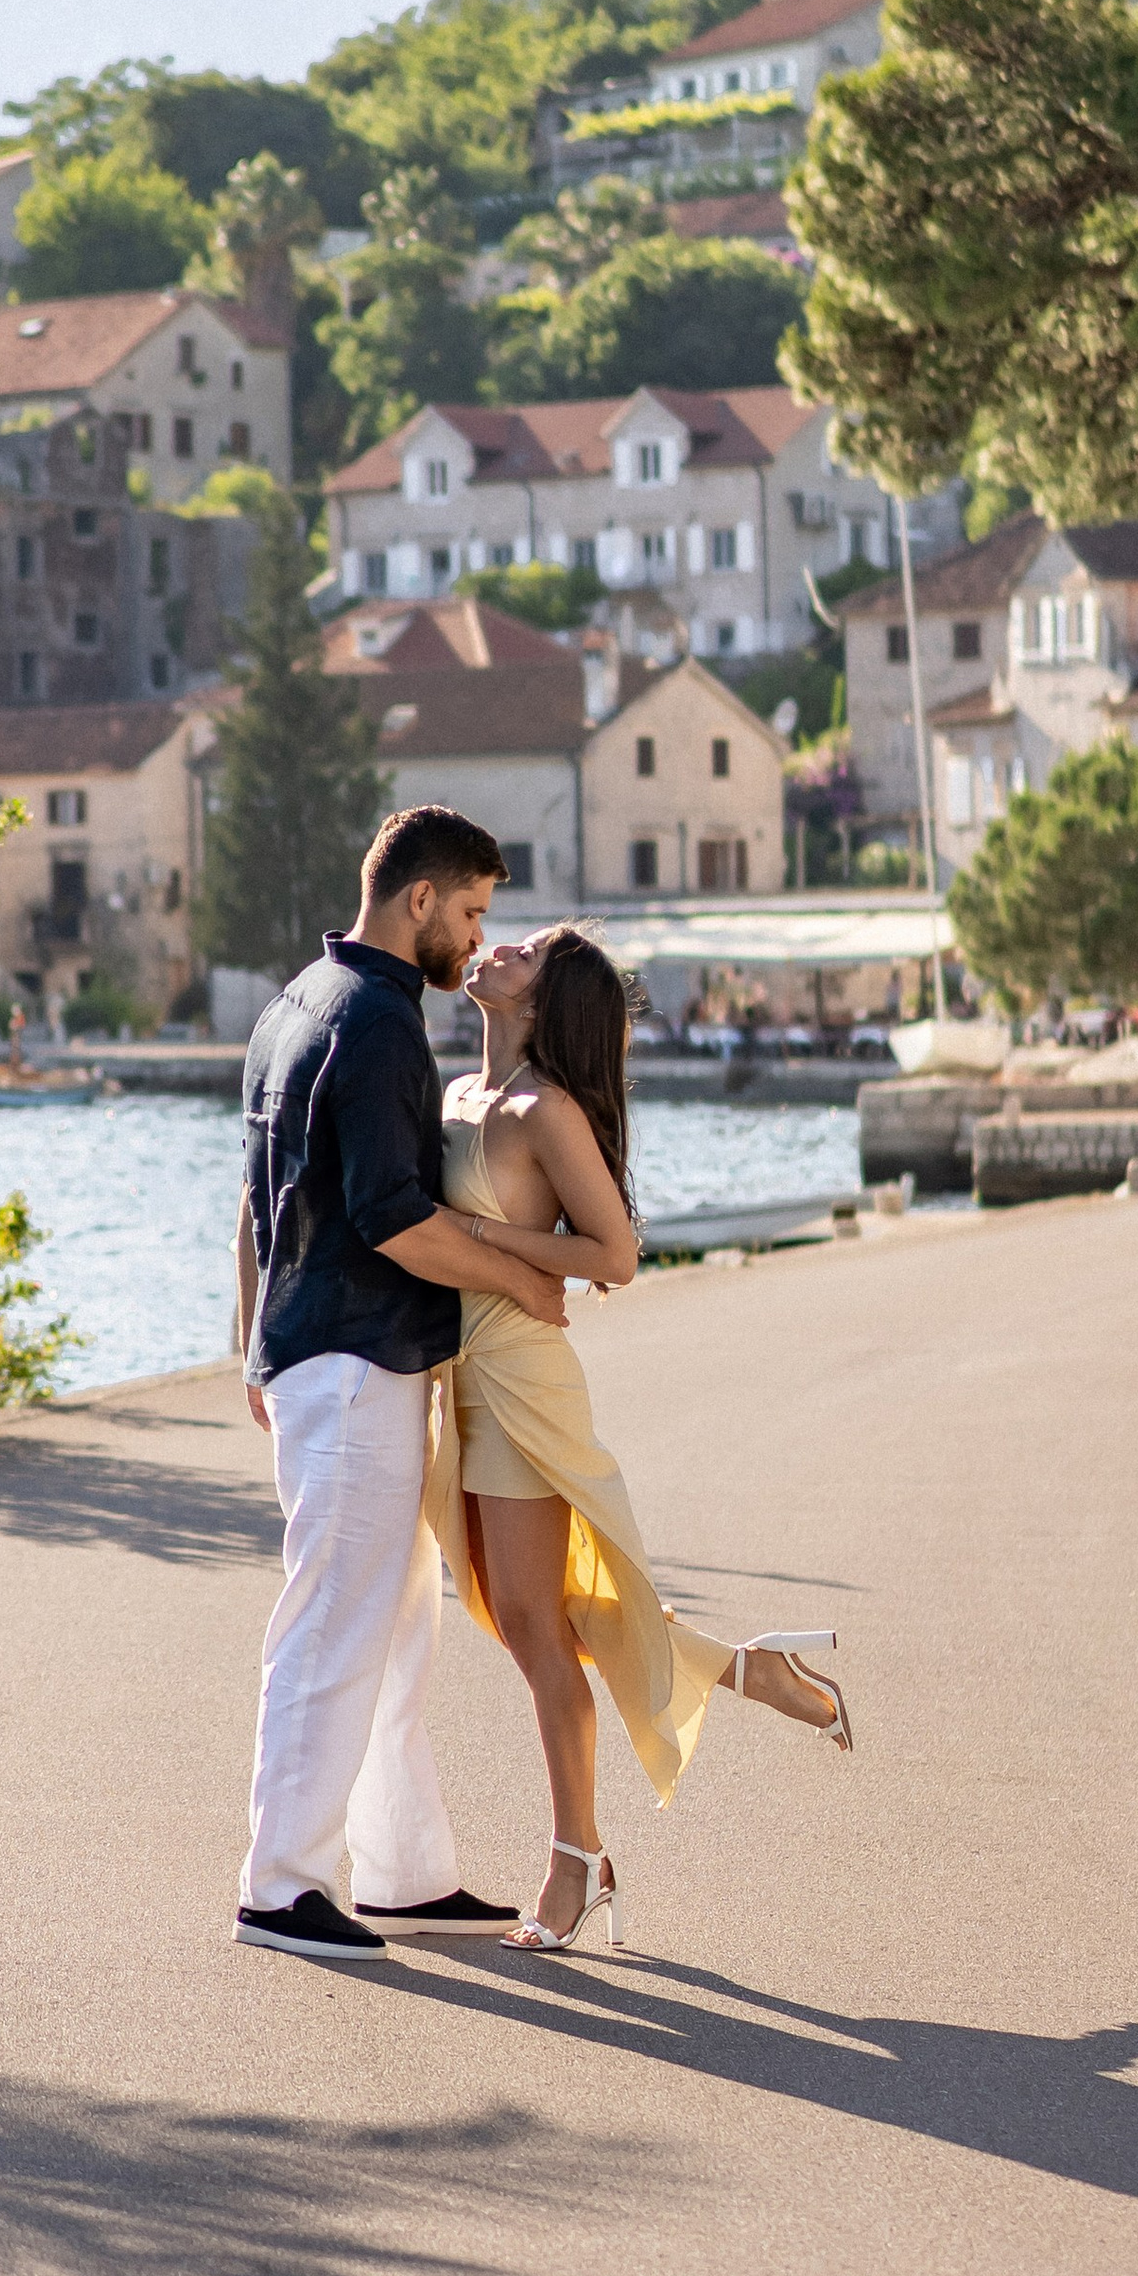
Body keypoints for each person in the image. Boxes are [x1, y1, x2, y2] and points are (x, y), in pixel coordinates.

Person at [426, 922, 851, 1954]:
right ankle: (743, 1667)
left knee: (534, 1624)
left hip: (522, 1378)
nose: (491, 947)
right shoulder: (454, 1094)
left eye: (518, 949)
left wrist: (484, 1236)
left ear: (542, 996)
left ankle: (578, 1861)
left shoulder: (545, 1108)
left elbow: (612, 1253)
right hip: (457, 1383)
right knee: (535, 1610)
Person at [233, 805, 573, 1964]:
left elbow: (256, 1199)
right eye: (469, 911)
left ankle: (401, 1872)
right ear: (417, 898)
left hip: (322, 1356)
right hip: (355, 1363)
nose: (475, 940)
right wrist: (520, 1278)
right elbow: (392, 1220)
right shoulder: (377, 1021)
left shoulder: (294, 1003)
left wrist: (252, 1341)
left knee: (393, 1630)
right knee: (332, 1625)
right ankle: (280, 1887)